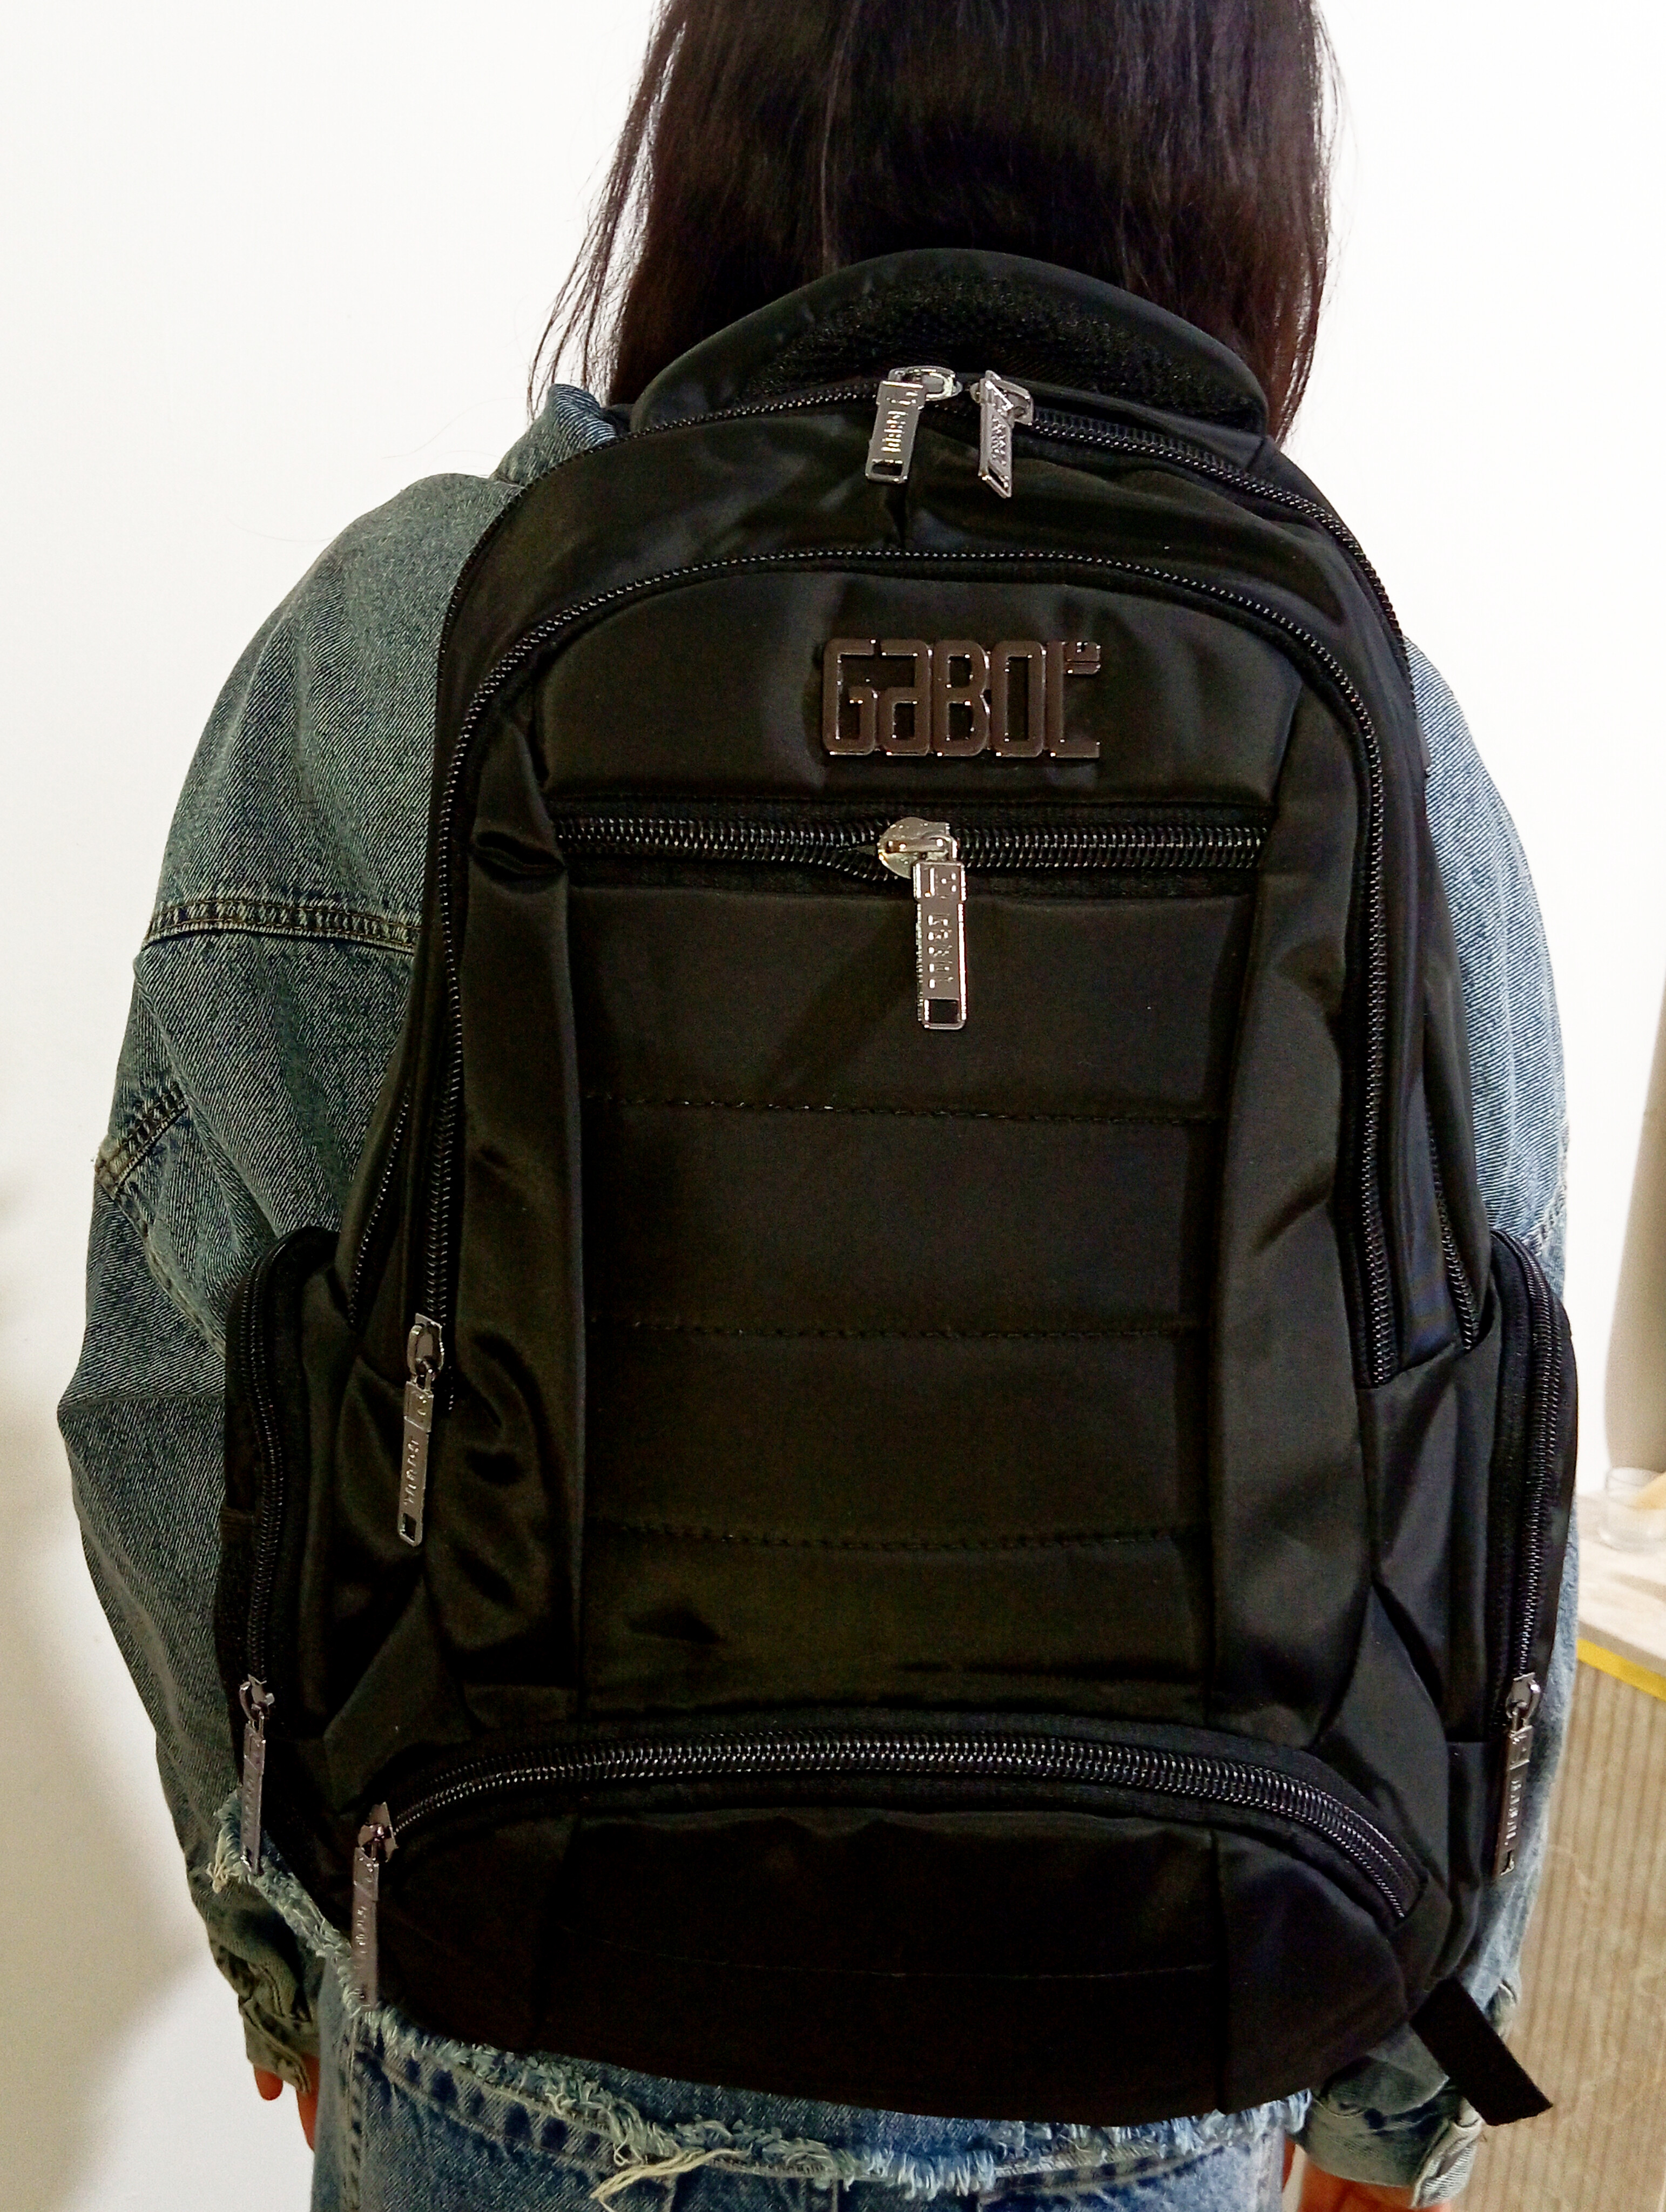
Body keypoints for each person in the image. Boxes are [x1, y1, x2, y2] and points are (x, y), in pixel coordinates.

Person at [59, 4, 1569, 2207]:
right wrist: (1395, 2091)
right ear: (1240, 176)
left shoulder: (410, 624)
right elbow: (1495, 1425)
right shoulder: (1367, 699)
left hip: (510, 1990)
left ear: (724, 116)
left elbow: (177, 1372)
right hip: (1171, 2012)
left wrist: (290, 1925)